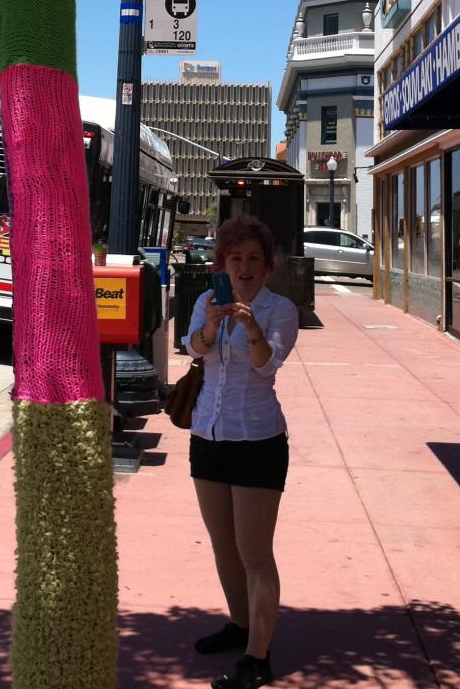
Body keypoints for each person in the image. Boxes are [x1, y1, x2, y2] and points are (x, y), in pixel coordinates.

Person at [185, 214, 299, 689]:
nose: (245, 268)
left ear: (268, 266)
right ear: (222, 264)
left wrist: (251, 327)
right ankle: (241, 623)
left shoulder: (280, 310)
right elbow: (193, 348)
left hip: (258, 440)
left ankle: (258, 657)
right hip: (208, 436)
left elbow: (266, 366)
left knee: (254, 551)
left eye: (254, 259)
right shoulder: (206, 300)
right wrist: (211, 326)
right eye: (236, 259)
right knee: (223, 545)